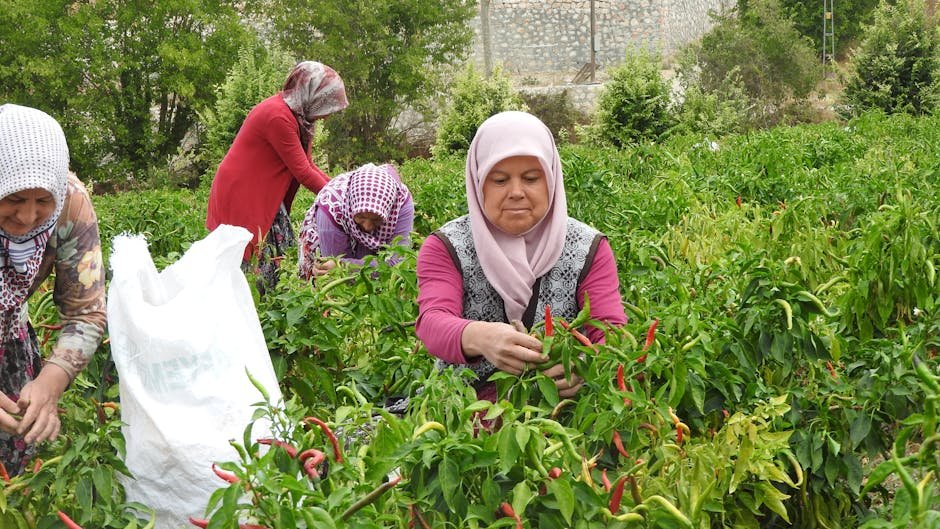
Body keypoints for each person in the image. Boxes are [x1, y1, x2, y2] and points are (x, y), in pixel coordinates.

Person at [416, 111, 627, 401]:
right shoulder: (447, 246)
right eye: (500, 180)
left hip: (561, 408)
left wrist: (586, 365)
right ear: (479, 183)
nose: (516, 192)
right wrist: (480, 337)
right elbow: (432, 322)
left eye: (531, 178)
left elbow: (610, 332)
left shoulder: (588, 247)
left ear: (551, 179)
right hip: (463, 415)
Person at [0, 104, 106, 475]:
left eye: (42, 201)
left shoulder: (69, 202)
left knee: (14, 461)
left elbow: (85, 311)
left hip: (7, 332)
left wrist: (50, 381)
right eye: (13, 199)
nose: (27, 217)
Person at [205, 61, 348, 292]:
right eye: (326, 105)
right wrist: (342, 201)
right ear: (312, 96)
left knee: (275, 258)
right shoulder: (278, 117)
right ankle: (253, 313)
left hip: (262, 191)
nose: (327, 115)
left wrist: (344, 189)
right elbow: (303, 172)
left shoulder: (301, 117)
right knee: (249, 262)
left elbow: (309, 165)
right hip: (243, 192)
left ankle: (266, 309)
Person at [297, 163, 413, 280]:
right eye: (361, 217)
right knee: (331, 277)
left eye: (376, 219)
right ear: (351, 208)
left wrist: (347, 266)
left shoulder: (400, 203)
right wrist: (339, 266)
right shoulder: (332, 209)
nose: (367, 226)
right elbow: (337, 275)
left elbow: (397, 263)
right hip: (334, 222)